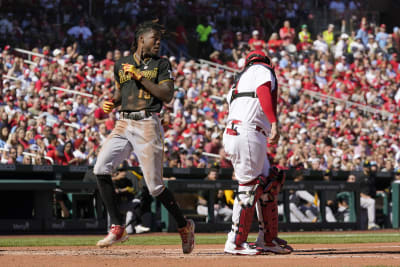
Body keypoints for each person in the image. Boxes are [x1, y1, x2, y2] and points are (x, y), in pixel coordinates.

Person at [93, 20, 195, 253]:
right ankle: (118, 227)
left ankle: (184, 225)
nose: (158, 43)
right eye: (154, 39)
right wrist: (113, 102)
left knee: (155, 186)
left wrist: (140, 76)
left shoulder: (161, 64)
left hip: (148, 122)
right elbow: (122, 92)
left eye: (160, 40)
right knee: (100, 168)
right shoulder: (121, 64)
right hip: (123, 122)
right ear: (141, 39)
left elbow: (166, 95)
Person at [223, 50, 291, 255]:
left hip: (241, 132)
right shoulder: (261, 69)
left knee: (270, 181)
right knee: (249, 187)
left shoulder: (238, 82)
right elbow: (263, 92)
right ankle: (235, 241)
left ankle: (268, 239)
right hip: (248, 132)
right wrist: (274, 123)